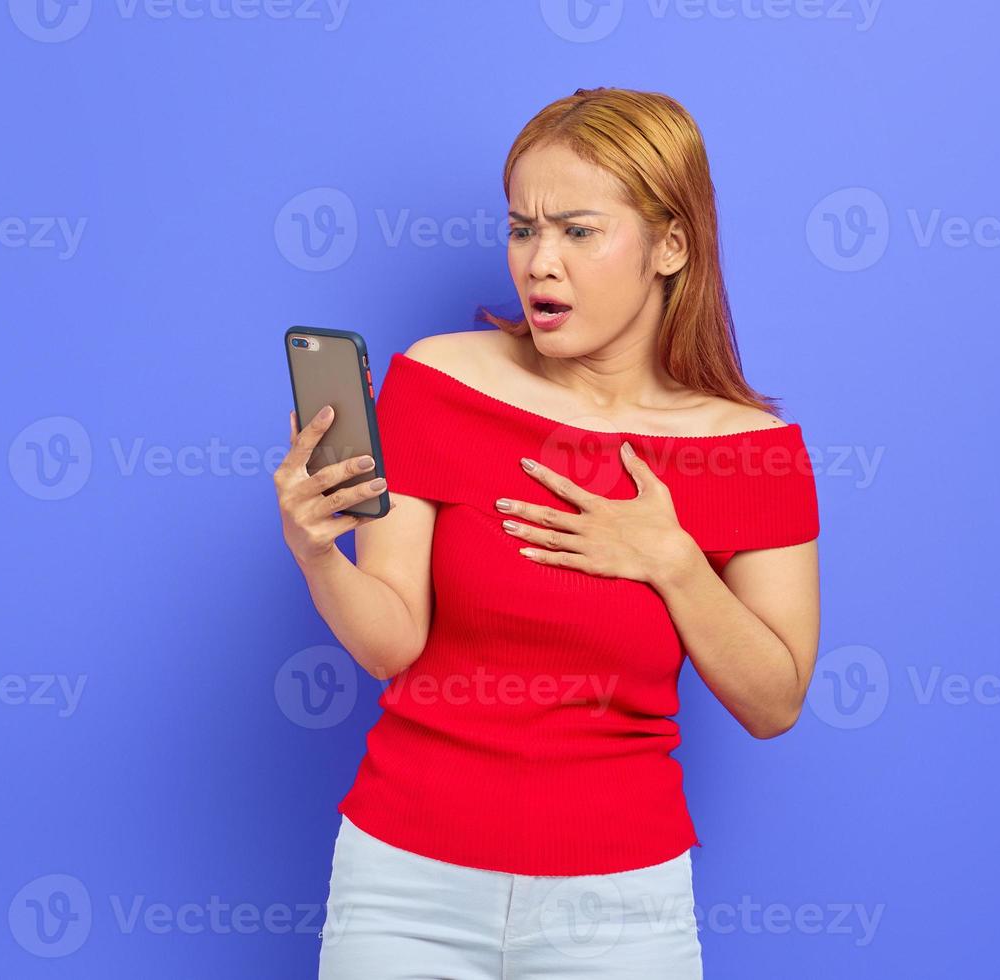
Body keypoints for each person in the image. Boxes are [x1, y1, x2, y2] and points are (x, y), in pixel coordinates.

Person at [273, 86, 821, 979]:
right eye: (523, 229)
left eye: (577, 230)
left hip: (621, 908)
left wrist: (672, 561)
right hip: (405, 885)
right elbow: (390, 642)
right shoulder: (434, 382)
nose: (539, 263)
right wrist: (314, 552)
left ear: (670, 246)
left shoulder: (751, 453)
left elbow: (776, 701)